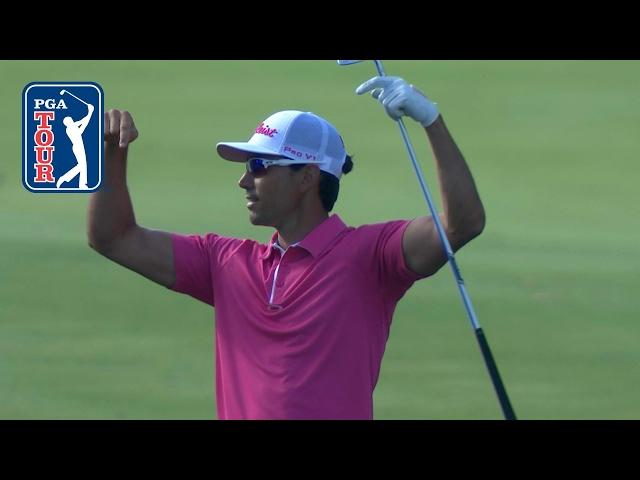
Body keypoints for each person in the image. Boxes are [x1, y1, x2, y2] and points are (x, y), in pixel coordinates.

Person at [87, 75, 486, 420]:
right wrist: (112, 155)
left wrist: (431, 121)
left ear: (306, 177)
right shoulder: (225, 262)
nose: (244, 181)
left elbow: (461, 224)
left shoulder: (370, 256)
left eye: (259, 167)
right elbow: (114, 237)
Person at [57, 103, 94, 189]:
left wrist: (90, 113)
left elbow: (83, 122)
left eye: (71, 119)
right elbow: (83, 124)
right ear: (67, 123)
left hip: (79, 146)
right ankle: (69, 179)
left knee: (82, 165)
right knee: (82, 165)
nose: (72, 120)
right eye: (70, 120)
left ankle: (77, 182)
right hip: (77, 147)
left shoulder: (73, 126)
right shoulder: (70, 129)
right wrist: (90, 112)